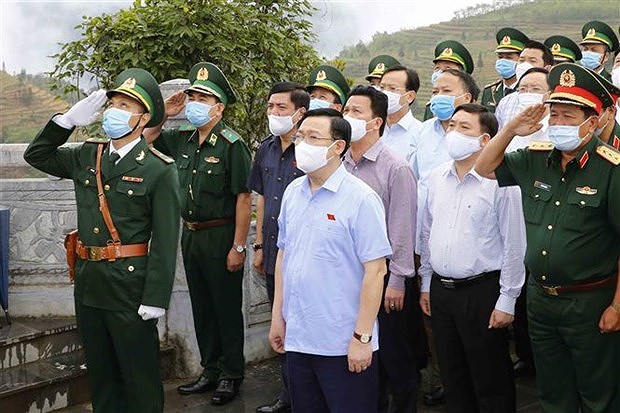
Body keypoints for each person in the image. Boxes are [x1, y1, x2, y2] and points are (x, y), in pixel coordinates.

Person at [23, 68, 181, 412]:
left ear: (143, 119)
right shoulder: (86, 155)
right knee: (101, 373)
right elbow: (36, 155)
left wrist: (155, 297)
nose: (115, 111)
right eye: (113, 103)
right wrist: (65, 121)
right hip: (90, 281)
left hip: (130, 286)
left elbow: (167, 240)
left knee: (139, 374)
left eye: (126, 105)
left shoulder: (159, 169)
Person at [475, 62, 620, 413]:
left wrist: (617, 305)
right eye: (554, 116)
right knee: (553, 392)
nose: (559, 124)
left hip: (591, 302)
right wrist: (510, 128)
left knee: (598, 394)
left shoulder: (612, 168)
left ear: (594, 119)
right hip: (541, 300)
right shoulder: (535, 158)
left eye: (569, 117)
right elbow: (484, 167)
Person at [269, 108, 392, 413]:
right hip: (299, 339)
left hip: (342, 342)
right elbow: (284, 254)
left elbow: (376, 271)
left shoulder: (361, 199)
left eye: (313, 137)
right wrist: (277, 317)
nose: (302, 143)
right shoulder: (293, 192)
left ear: (338, 146)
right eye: (300, 136)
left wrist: (362, 338)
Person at [145, 62, 252, 406]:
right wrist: (165, 112)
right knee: (202, 307)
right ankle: (209, 369)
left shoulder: (232, 144)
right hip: (190, 236)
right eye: (192, 95)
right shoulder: (182, 139)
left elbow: (243, 198)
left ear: (219, 107)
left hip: (220, 235)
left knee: (224, 308)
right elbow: (145, 139)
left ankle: (231, 374)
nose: (194, 101)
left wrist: (238, 246)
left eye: (202, 97)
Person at [419, 103, 526, 413]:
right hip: (441, 291)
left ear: (485, 140)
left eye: (464, 128)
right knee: (453, 374)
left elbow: (514, 244)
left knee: (489, 375)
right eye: (452, 126)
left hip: (481, 292)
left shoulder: (502, 183)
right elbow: (428, 234)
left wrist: (508, 299)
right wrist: (426, 282)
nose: (453, 133)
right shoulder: (437, 178)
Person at [342, 85, 421, 412]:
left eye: (356, 112)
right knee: (362, 359)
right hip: (350, 278)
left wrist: (398, 281)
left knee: (395, 361)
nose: (347, 118)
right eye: (345, 111)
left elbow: (402, 228)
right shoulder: (341, 162)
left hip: (386, 279)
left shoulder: (395, 167)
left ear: (376, 122)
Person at [249, 81, 309, 413]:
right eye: (270, 107)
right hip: (273, 251)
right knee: (281, 322)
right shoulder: (266, 148)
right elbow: (260, 195)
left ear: (301, 112)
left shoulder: (312, 150)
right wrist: (258, 244)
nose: (274, 113)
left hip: (304, 254)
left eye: (281, 108)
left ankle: (309, 394)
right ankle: (287, 395)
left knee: (305, 323)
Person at [495, 40, 553, 128]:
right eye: (521, 60)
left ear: (547, 68)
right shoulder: (506, 102)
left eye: (532, 61)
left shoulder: (554, 101)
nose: (524, 65)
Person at [423, 40, 474, 121]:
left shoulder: (471, 106)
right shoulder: (432, 105)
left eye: (448, 68)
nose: (440, 72)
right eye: (437, 68)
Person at [481, 27, 529, 113]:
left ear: (521, 60)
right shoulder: (489, 91)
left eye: (509, 57)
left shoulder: (527, 90)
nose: (503, 61)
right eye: (500, 57)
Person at [379, 65, 422, 162]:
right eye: (382, 88)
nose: (385, 93)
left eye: (393, 88)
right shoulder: (372, 128)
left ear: (410, 96)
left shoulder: (421, 134)